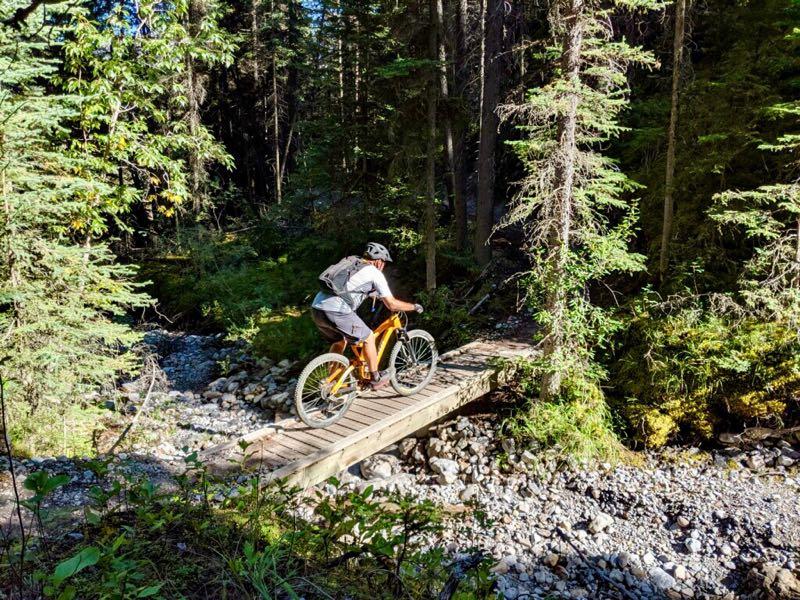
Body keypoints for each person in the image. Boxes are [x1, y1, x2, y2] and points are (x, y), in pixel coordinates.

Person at [311, 242, 423, 390]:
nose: (383, 266)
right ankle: (375, 377)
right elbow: (392, 304)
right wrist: (413, 307)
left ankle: (330, 381)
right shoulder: (374, 273)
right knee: (369, 337)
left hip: (317, 308)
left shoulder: (352, 264)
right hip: (336, 310)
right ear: (378, 260)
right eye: (384, 262)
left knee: (339, 342)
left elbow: (354, 289)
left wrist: (376, 295)